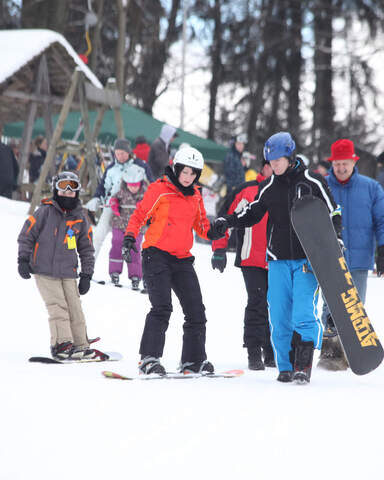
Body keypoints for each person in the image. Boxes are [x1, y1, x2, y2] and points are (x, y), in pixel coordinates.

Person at [210, 132, 341, 384]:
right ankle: (285, 366)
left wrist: (337, 239)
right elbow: (252, 213)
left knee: (302, 313)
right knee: (279, 316)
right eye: (271, 161)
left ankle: (302, 365)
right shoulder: (268, 187)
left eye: (279, 160)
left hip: (307, 259)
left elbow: (334, 211)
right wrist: (227, 222)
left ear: (290, 157)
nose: (274, 165)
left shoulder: (312, 181)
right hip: (277, 260)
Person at [122, 147, 222, 375]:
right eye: (184, 172)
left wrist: (215, 232)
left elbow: (202, 226)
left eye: (193, 174)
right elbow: (139, 215)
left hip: (182, 259)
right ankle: (149, 359)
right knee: (162, 307)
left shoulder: (196, 195)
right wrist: (129, 238)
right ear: (176, 169)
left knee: (196, 311)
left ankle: (193, 361)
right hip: (156, 255)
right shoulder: (160, 190)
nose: (188, 178)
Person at [17, 171, 104, 361]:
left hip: (68, 272)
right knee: (58, 307)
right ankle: (61, 344)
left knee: (74, 308)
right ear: (56, 189)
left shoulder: (80, 217)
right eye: (63, 187)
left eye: (72, 188)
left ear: (77, 192)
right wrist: (23, 260)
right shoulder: (45, 212)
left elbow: (86, 248)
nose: (67, 191)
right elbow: (26, 235)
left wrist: (87, 275)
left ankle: (80, 344)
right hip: (44, 270)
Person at [318, 139, 384, 370]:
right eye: (337, 164)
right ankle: (330, 352)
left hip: (359, 258)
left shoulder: (371, 187)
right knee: (330, 305)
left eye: (345, 164)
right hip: (329, 259)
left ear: (353, 162)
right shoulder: (322, 186)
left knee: (356, 307)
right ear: (332, 164)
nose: (341, 168)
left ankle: (350, 352)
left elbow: (381, 220)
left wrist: (382, 250)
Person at [211, 177, 275, 371]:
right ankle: (254, 351)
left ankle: (272, 349)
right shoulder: (246, 190)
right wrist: (219, 249)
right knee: (257, 301)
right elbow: (225, 217)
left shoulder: (283, 188)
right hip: (251, 257)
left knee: (277, 305)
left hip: (278, 259)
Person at [85, 138, 152, 259]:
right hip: (113, 204)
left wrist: (148, 202)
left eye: (122, 153)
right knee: (99, 233)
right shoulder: (111, 168)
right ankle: (89, 264)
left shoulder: (141, 166)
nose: (120, 156)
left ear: (129, 152)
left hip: (135, 206)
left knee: (142, 238)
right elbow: (103, 187)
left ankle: (142, 271)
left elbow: (151, 185)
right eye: (117, 153)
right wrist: (97, 198)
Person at [109, 164, 148, 290]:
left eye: (136, 185)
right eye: (130, 185)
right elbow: (113, 199)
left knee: (134, 249)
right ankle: (114, 271)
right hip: (120, 224)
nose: (133, 188)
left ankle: (135, 275)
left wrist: (143, 206)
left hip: (137, 228)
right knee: (117, 244)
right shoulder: (121, 192)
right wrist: (114, 204)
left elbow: (152, 206)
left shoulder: (146, 193)